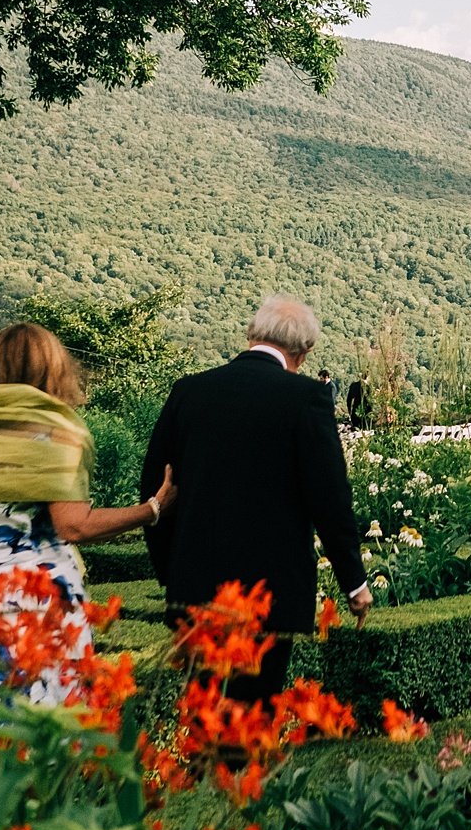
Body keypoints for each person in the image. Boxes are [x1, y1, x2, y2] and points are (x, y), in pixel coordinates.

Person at [0, 323, 177, 701]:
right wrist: (152, 508)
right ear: (54, 368)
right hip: (42, 596)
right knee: (46, 720)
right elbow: (74, 527)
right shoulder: (60, 431)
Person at [138, 294, 371, 701]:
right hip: (267, 599)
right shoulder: (306, 399)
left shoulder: (189, 392)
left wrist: (171, 573)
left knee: (203, 720)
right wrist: (353, 584)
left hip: (194, 592)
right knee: (251, 722)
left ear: (251, 334)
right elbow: (330, 500)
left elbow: (155, 489)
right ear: (305, 350)